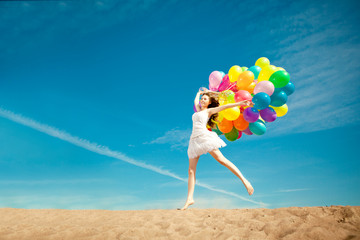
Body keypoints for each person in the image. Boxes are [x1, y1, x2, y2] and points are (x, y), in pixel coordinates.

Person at [179, 89, 254, 210]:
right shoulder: (198, 110)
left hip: (204, 138)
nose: (202, 100)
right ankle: (189, 199)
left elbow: (225, 106)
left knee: (222, 160)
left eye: (205, 99)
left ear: (209, 103)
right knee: (191, 171)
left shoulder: (209, 111)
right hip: (194, 140)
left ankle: (245, 181)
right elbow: (195, 100)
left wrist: (240, 103)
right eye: (202, 99)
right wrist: (200, 92)